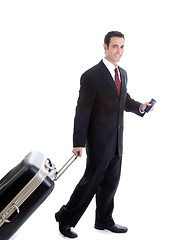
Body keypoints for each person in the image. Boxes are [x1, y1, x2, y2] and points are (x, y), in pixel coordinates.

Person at [55, 31, 153, 238]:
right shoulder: (91, 76)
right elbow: (82, 111)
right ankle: (65, 218)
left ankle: (103, 220)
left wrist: (140, 106)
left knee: (111, 182)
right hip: (98, 141)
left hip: (117, 140)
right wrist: (78, 142)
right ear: (105, 47)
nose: (119, 51)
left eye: (122, 46)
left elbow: (123, 99)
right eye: (115, 46)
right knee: (90, 182)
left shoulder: (123, 73)